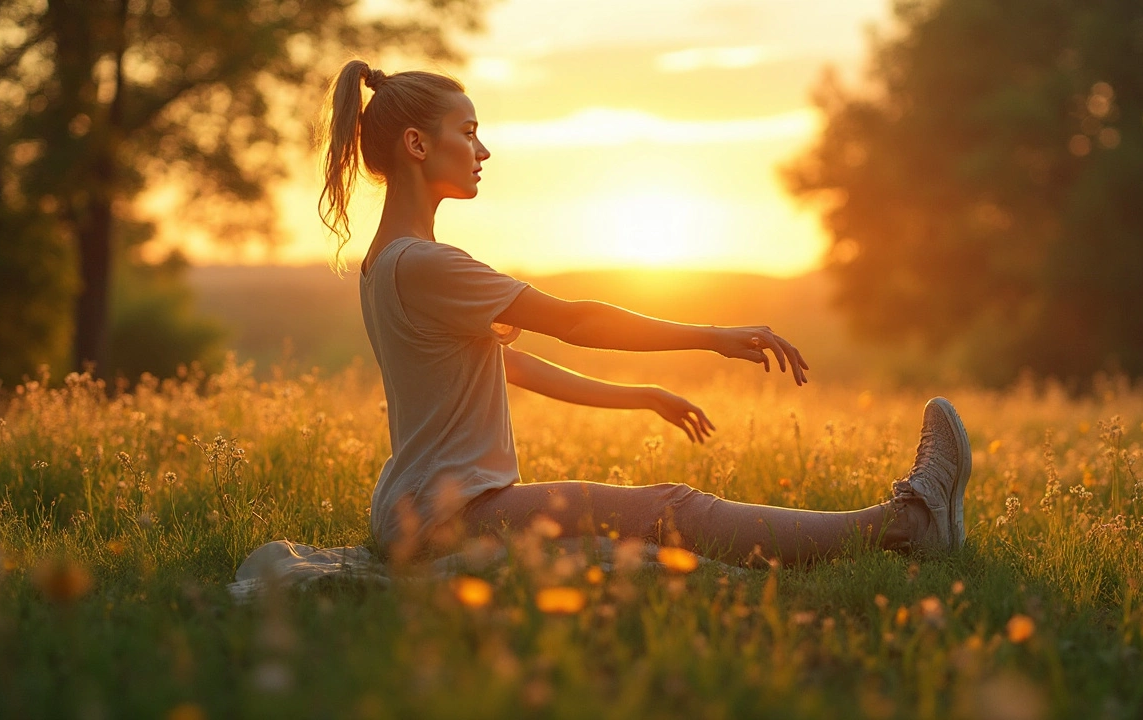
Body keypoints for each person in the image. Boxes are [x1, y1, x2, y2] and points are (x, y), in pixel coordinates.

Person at [316, 61, 972, 567]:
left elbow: (504, 366)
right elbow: (576, 321)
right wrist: (711, 337)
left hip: (416, 509)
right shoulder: (425, 264)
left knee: (664, 507)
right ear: (416, 145)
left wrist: (640, 396)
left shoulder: (388, 263)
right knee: (670, 507)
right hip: (449, 517)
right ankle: (907, 523)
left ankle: (905, 522)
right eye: (468, 132)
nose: (483, 150)